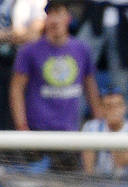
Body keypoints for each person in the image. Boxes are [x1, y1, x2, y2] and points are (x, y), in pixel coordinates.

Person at [10, 1, 101, 136]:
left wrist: (99, 122)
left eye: (59, 13)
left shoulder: (82, 50)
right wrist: (22, 126)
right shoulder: (28, 51)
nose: (54, 20)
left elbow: (90, 87)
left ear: (68, 18)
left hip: (70, 130)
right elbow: (16, 89)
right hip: (37, 130)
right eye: (50, 14)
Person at [0, 0, 45, 130]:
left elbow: (34, 35)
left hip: (23, 64)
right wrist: (16, 34)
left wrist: (4, 35)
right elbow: (25, 34)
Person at [80, 90, 128, 177]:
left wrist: (112, 131)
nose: (114, 110)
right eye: (108, 106)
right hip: (97, 182)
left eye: (117, 106)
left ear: (124, 108)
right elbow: (88, 168)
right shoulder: (91, 127)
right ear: (102, 109)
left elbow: (120, 162)